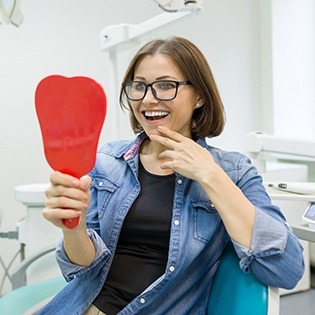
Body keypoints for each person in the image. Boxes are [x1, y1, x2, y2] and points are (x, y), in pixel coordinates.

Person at [36, 36, 304, 315]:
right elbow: (84, 268)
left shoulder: (233, 171)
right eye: (139, 86)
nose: (149, 99)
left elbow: (286, 269)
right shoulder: (107, 162)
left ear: (199, 95)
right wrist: (73, 227)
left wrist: (210, 174)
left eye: (166, 86)